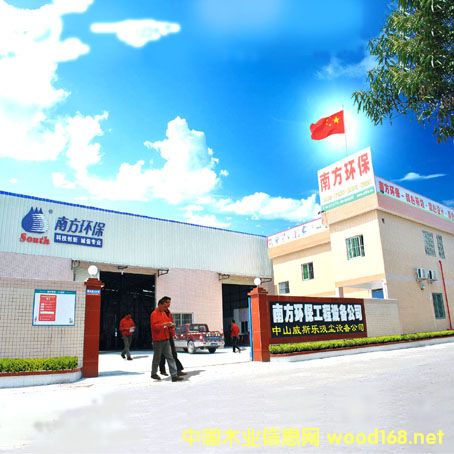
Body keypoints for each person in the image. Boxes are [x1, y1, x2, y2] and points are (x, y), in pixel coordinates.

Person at [150, 296, 183, 382]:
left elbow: (168, 322)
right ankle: (153, 373)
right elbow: (154, 327)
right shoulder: (154, 314)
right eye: (165, 306)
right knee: (157, 358)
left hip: (166, 339)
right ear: (160, 305)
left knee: (170, 357)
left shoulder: (164, 313)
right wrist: (165, 324)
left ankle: (174, 376)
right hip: (158, 340)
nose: (166, 308)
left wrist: (171, 325)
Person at [159, 297, 186, 376]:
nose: (169, 304)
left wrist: (172, 327)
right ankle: (162, 370)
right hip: (162, 336)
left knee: (173, 353)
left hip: (169, 335)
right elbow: (158, 325)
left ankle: (178, 370)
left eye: (169, 302)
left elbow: (170, 322)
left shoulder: (168, 312)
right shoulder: (159, 312)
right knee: (162, 354)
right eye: (167, 302)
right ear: (163, 303)